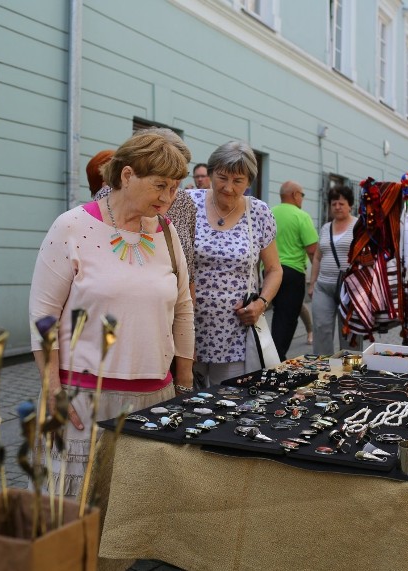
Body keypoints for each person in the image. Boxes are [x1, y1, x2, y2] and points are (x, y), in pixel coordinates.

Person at [29, 131, 195, 497]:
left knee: (126, 516)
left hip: (155, 399)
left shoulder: (167, 232)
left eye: (175, 188)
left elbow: (183, 309)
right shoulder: (72, 226)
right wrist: (53, 391)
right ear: (127, 176)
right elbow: (43, 318)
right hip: (83, 401)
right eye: (160, 186)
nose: (168, 198)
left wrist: (183, 386)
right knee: (68, 512)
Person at [189, 141, 282, 385]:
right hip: (187, 331)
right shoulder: (187, 204)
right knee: (186, 409)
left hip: (236, 335)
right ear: (210, 174)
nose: (228, 187)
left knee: (232, 406)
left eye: (238, 180)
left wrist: (261, 303)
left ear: (249, 182)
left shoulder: (259, 213)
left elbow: (274, 270)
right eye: (222, 177)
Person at [93, 128, 198, 286]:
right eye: (168, 167)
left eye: (180, 168)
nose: (175, 177)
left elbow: (188, 271)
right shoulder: (108, 197)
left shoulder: (184, 202)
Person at [271, 181, 318, 359]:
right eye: (302, 195)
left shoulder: (270, 212)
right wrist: (315, 280)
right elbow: (313, 250)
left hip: (269, 271)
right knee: (288, 317)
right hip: (293, 272)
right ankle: (277, 358)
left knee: (277, 314)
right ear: (295, 195)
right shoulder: (301, 216)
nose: (302, 199)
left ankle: (272, 354)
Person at [308, 185, 358, 355]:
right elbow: (317, 257)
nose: (337, 207)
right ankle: (322, 369)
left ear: (350, 205)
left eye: (341, 203)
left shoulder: (359, 226)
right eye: (334, 203)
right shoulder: (325, 228)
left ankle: (350, 372)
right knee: (321, 329)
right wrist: (312, 283)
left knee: (349, 332)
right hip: (323, 287)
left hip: (350, 289)